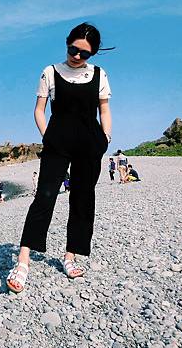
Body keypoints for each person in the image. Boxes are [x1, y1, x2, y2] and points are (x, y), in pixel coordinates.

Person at [7, 22, 113, 293]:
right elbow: (39, 110)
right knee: (44, 196)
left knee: (83, 198)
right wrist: (48, 136)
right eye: (73, 49)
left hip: (90, 145)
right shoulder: (50, 72)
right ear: (67, 43)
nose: (77, 56)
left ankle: (70, 256)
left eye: (84, 53)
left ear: (92, 54)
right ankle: (23, 261)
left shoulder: (99, 75)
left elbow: (104, 109)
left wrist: (105, 138)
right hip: (57, 143)